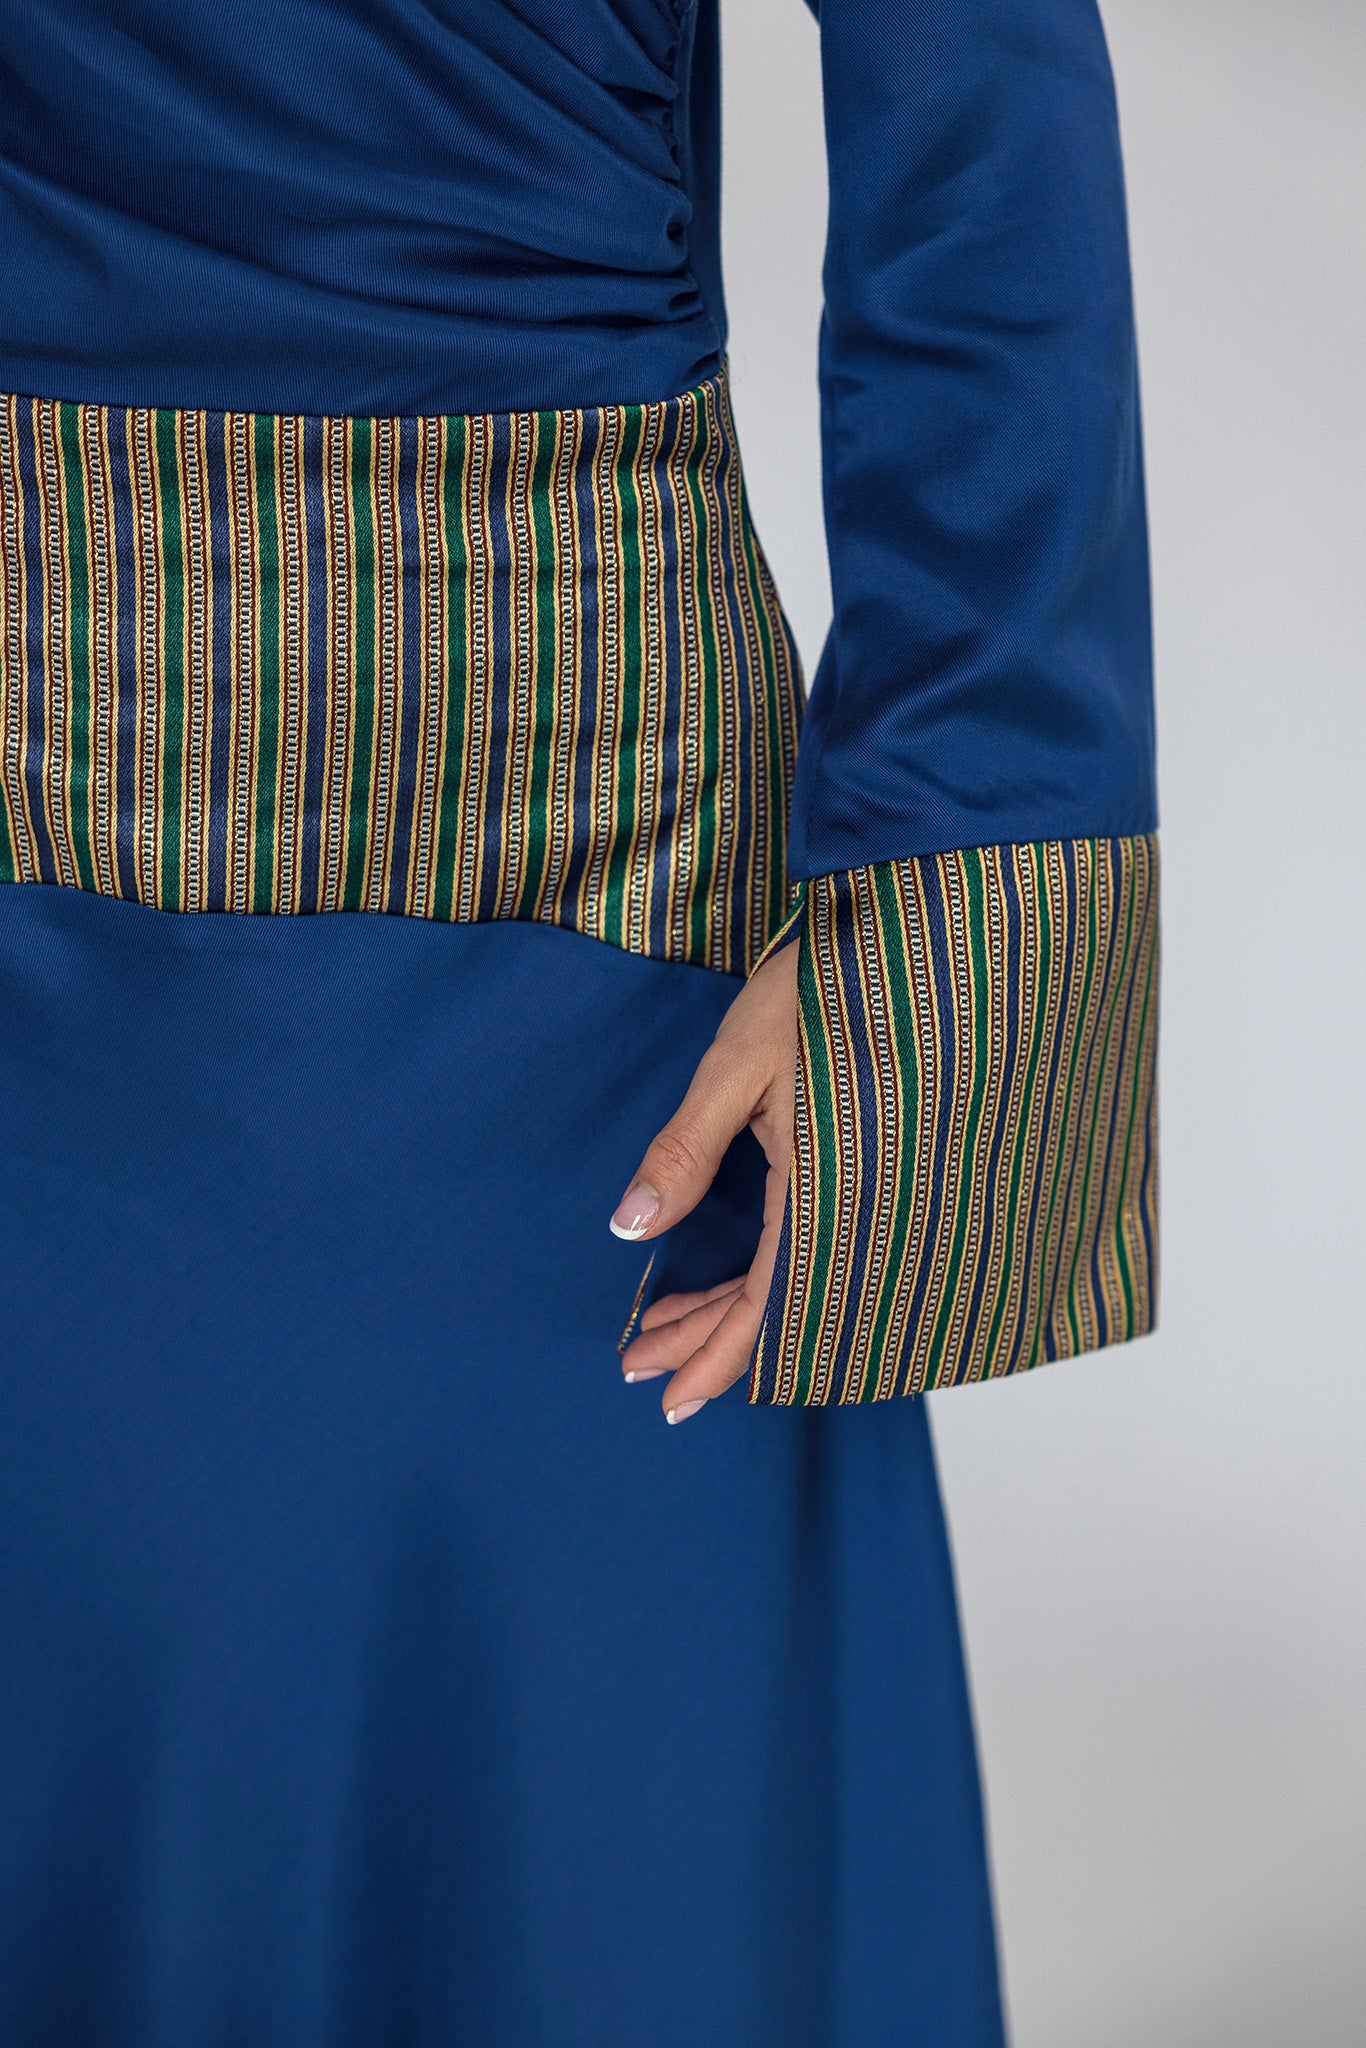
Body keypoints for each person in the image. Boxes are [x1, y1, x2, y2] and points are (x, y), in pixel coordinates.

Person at [0, 1, 1157, 2041]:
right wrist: (947, 900)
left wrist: (939, 931)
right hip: (567, 868)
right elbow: (982, 91)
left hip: (573, 913)